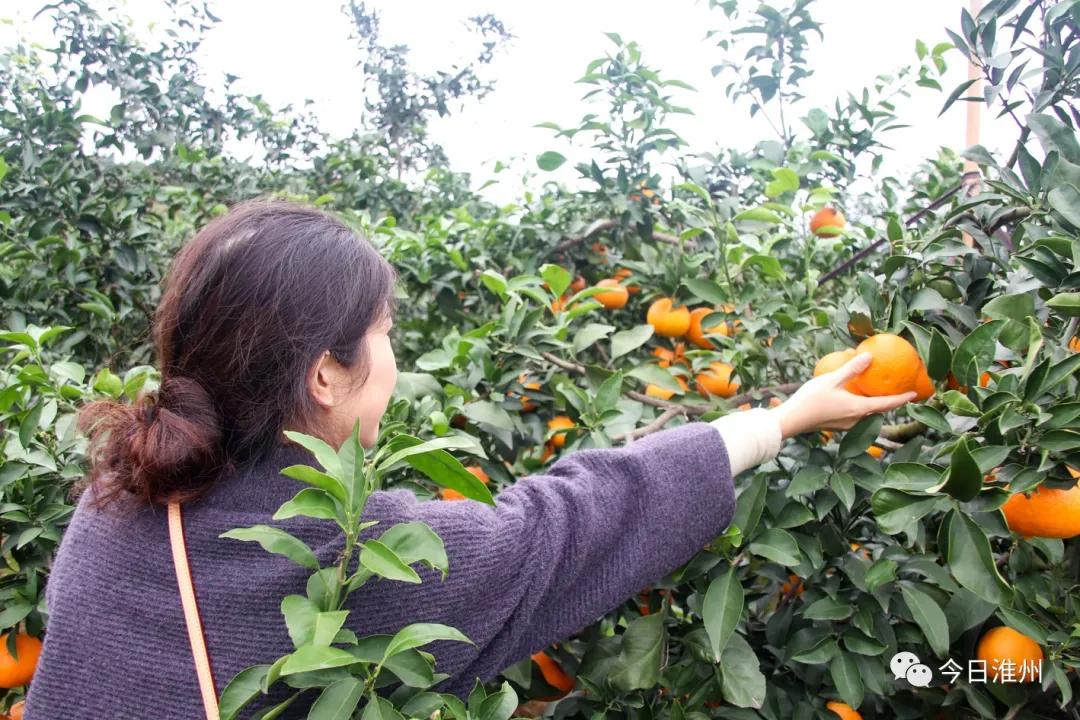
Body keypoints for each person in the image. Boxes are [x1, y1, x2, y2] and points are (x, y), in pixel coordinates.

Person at [23, 200, 915, 719]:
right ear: (326, 373)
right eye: (385, 333)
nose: (395, 359)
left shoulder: (113, 505)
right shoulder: (356, 560)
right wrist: (782, 419)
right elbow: (573, 523)